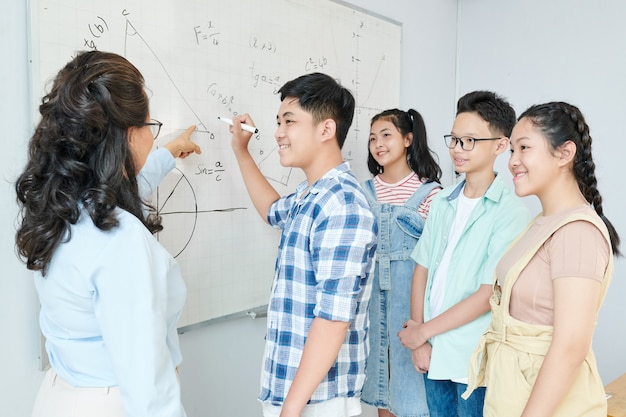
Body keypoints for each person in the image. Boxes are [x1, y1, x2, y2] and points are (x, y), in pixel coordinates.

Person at [15, 50, 200, 417]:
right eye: (150, 127)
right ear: (129, 137)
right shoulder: (122, 240)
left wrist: (167, 153)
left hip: (58, 396)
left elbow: (117, 195)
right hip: (115, 403)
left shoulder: (60, 204)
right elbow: (147, 386)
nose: (151, 135)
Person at [228, 72, 377, 417]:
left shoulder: (343, 205)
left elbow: (333, 319)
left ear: (326, 130)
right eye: (279, 121)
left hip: (318, 399)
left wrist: (292, 409)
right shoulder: (310, 195)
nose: (279, 132)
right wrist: (240, 151)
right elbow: (270, 210)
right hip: (292, 390)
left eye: (290, 121)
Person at [463, 102, 621, 417]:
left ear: (564, 154)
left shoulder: (577, 233)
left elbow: (570, 347)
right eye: (511, 151)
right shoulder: (540, 223)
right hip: (512, 393)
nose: (513, 161)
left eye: (524, 148)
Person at [398, 90, 530, 417]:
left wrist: (422, 333)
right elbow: (422, 269)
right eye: (454, 139)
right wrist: (420, 337)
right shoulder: (443, 201)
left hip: (474, 358)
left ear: (500, 145)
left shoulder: (511, 212)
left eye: (469, 140)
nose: (457, 149)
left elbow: (488, 293)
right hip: (432, 351)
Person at [360, 108, 441, 417]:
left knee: (413, 398)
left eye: (386, 135)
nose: (378, 144)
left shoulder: (430, 194)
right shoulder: (362, 192)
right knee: (382, 393)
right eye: (372, 139)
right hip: (369, 311)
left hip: (412, 311)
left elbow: (436, 262)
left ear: (408, 139)